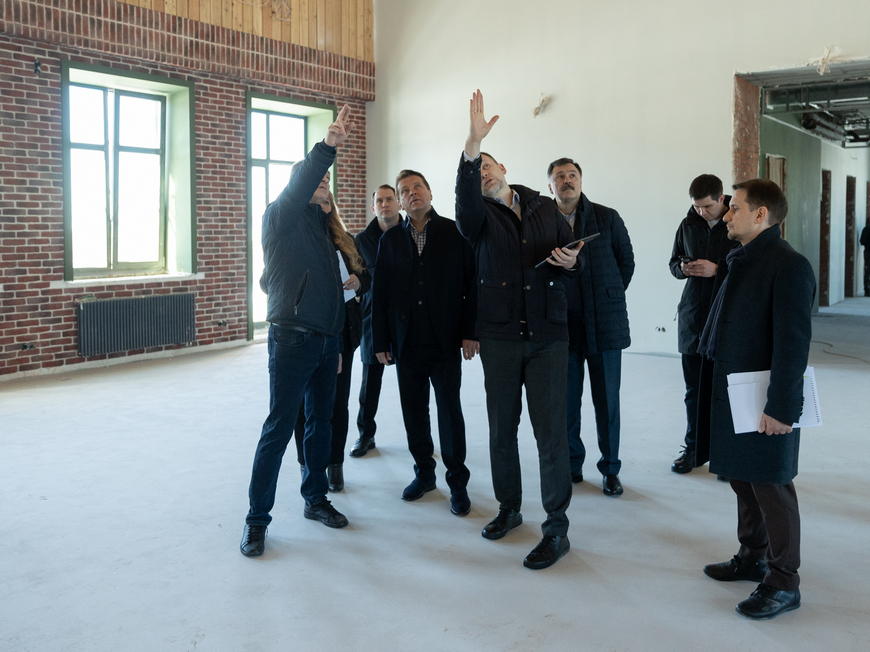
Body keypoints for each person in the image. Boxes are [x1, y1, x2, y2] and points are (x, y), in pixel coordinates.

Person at [455, 90, 580, 570]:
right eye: (477, 167)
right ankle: (509, 509)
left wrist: (571, 260)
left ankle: (556, 527)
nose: (484, 171)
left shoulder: (545, 207)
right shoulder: (476, 217)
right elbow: (465, 198)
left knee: (550, 435)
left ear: (504, 167)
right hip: (502, 337)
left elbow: (572, 256)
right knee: (502, 430)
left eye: (489, 164)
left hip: (549, 335)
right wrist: (472, 144)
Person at [696, 179, 815, 619]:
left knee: (772, 484)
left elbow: (793, 344)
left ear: (761, 215)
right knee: (743, 477)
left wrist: (782, 408)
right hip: (736, 389)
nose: (726, 215)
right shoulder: (743, 259)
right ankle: (753, 557)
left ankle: (784, 582)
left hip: (766, 398)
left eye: (735, 209)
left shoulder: (788, 265)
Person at [241, 105, 355, 558]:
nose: (322, 185)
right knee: (279, 427)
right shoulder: (280, 216)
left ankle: (315, 499)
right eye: (316, 182)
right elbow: (306, 178)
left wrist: (339, 340)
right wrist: (327, 148)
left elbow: (337, 287)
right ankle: (256, 521)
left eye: (327, 184)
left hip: (327, 342)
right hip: (292, 338)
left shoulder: (327, 231)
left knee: (320, 426)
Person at [371, 170, 477, 516]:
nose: (412, 194)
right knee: (414, 414)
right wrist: (381, 339)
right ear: (399, 202)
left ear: (430, 193)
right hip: (406, 344)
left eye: (418, 187)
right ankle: (425, 474)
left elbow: (470, 287)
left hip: (445, 341)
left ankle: (457, 483)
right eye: (405, 191)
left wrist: (469, 331)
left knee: (449, 414)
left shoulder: (454, 232)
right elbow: (381, 295)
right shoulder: (389, 241)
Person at [547, 157, 634, 496]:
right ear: (550, 185)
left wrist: (606, 296)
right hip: (562, 328)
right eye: (559, 177)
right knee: (566, 402)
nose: (566, 181)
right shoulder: (542, 221)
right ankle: (572, 466)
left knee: (607, 403)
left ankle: (610, 470)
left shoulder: (607, 217)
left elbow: (626, 263)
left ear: (581, 181)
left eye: (572, 175)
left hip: (605, 326)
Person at [293, 192, 371, 492]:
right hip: (306, 332)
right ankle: (306, 466)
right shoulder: (294, 239)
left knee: (338, 402)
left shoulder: (347, 239)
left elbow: (367, 275)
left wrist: (358, 281)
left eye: (327, 204)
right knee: (304, 405)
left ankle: (335, 465)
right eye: (316, 204)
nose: (323, 209)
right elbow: (268, 280)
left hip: (343, 333)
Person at [668, 174, 737, 474]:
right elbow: (672, 263)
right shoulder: (688, 224)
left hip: (725, 317)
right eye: (696, 206)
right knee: (693, 390)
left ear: (721, 200)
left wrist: (717, 270)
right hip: (693, 318)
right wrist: (682, 267)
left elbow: (748, 268)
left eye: (706, 207)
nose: (701, 212)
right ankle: (693, 448)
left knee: (723, 389)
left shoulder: (738, 223)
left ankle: (725, 455)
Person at [351, 185, 403, 457]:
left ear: (399, 203)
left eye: (390, 199)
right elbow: (356, 279)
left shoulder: (412, 233)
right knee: (369, 384)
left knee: (414, 384)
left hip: (407, 319)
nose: (385, 204)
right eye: (379, 201)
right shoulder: (360, 240)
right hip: (373, 319)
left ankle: (421, 436)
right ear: (373, 208)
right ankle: (365, 435)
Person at [861, 222, 869, 296]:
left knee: (867, 271)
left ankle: (867, 290)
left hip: (868, 252)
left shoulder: (866, 229)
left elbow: (862, 241)